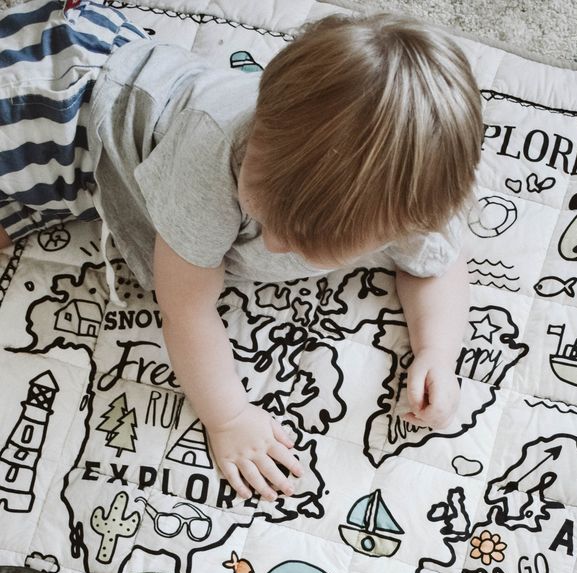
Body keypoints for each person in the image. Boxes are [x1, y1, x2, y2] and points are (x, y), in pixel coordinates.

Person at [0, 0, 484, 499]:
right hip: (68, 114)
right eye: (263, 211)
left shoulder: (407, 200)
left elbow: (435, 268)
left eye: (298, 242)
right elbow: (185, 307)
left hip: (97, 168)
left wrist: (437, 352)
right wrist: (228, 417)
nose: (271, 242)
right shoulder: (210, 158)